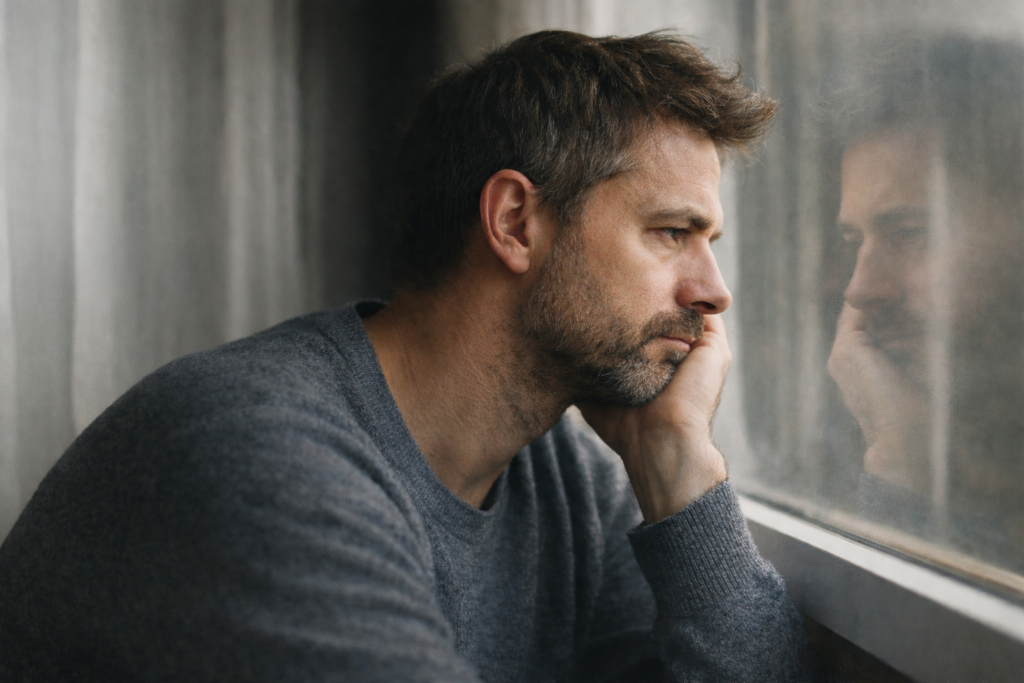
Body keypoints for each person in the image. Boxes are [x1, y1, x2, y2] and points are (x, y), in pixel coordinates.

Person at [0, 30, 823, 681]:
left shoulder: (564, 480)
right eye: (672, 233)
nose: (713, 290)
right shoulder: (262, 457)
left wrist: (681, 468)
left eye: (709, 241)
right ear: (514, 222)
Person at [826, 36, 1024, 563]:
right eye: (855, 242)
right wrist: (896, 456)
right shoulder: (834, 441)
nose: (860, 290)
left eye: (911, 232)